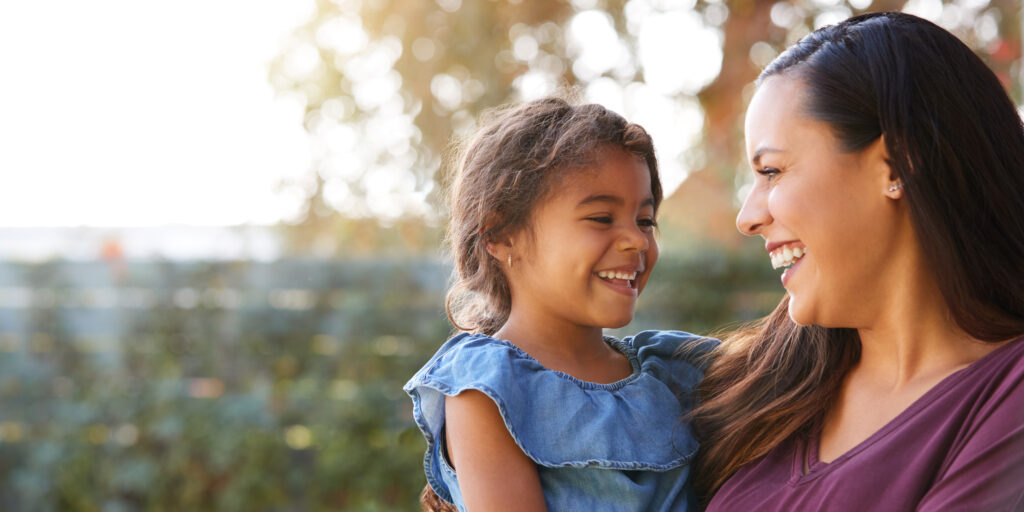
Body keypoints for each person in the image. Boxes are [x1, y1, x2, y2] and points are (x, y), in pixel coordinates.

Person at [692, 12, 1024, 511]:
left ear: (897, 164)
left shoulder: (1006, 398)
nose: (748, 216)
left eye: (773, 171)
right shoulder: (750, 380)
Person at [404, 97, 715, 511]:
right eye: (602, 218)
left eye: (645, 220)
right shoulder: (486, 390)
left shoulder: (678, 369)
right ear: (500, 235)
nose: (638, 240)